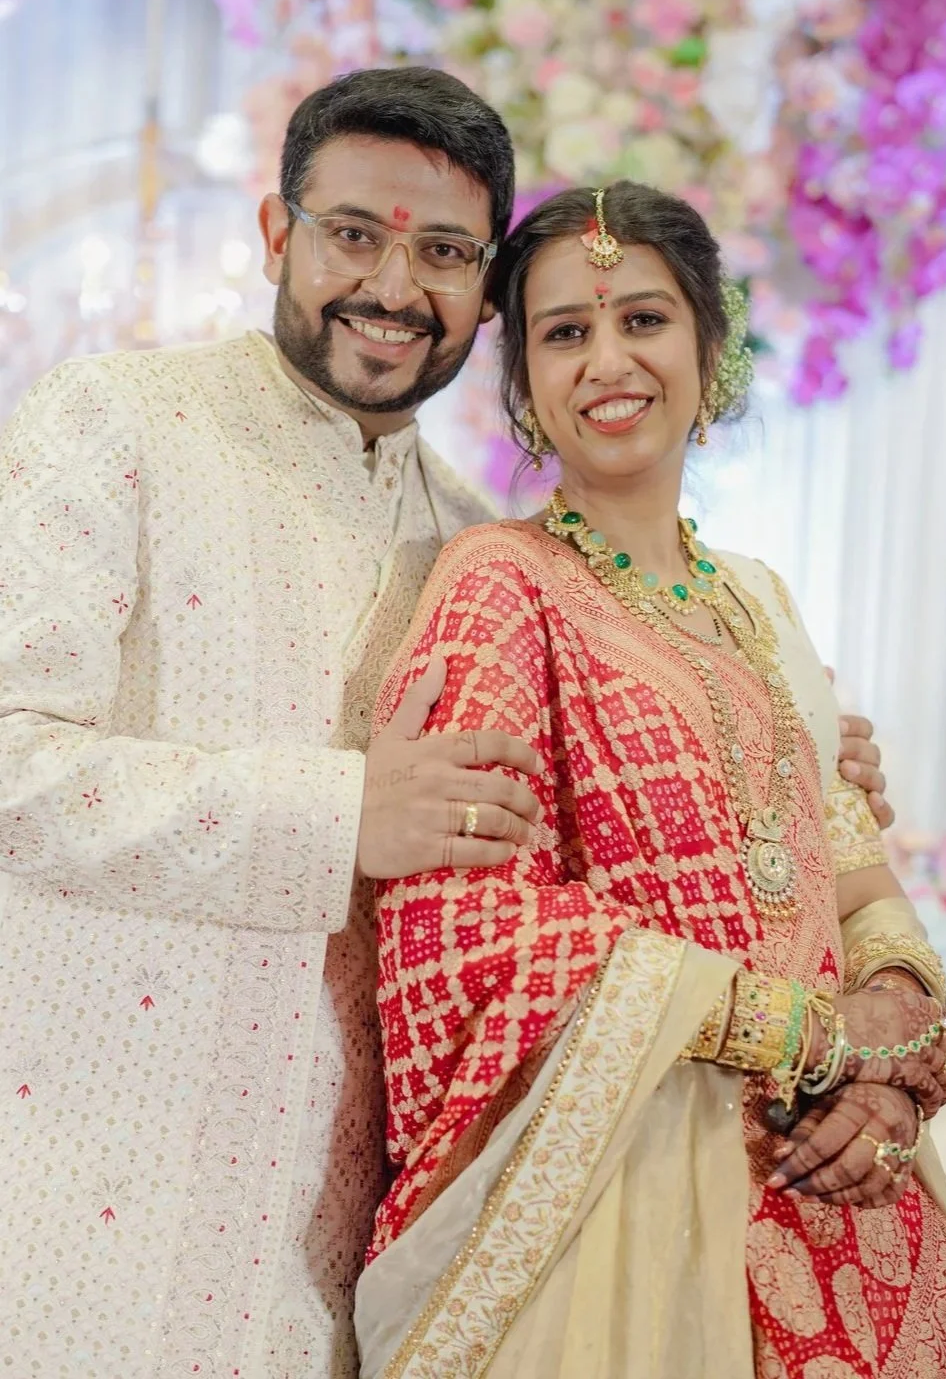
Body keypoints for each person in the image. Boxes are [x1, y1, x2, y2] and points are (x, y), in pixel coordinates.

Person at [0, 69, 889, 1379]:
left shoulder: (484, 547)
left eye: (446, 252)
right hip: (93, 1199)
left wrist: (792, 754)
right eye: (354, 233)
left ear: (483, 291)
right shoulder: (119, 421)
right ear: (275, 234)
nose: (394, 287)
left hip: (347, 1251)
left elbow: (604, 860)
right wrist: (350, 811)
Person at [355, 181, 946, 1379]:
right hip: (629, 1200)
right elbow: (471, 919)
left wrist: (892, 1046)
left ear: (705, 343)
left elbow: (848, 873)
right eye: (563, 333)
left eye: (642, 319)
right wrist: (802, 1032)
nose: (606, 362)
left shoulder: (760, 600)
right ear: (522, 381)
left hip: (846, 1180)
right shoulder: (497, 582)